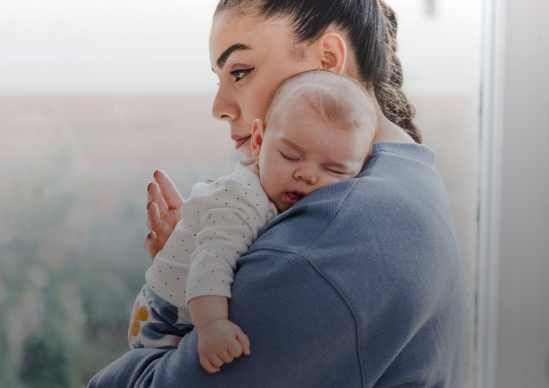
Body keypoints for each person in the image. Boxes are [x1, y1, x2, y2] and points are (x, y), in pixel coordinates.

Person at [89, 0, 466, 386]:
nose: (218, 107)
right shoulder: (411, 181)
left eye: (240, 71)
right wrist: (196, 257)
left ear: (328, 60)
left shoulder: (332, 239)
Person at [127, 70, 378, 375]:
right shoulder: (242, 199)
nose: (307, 174)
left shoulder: (283, 195)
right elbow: (211, 264)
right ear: (258, 141)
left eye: (334, 169)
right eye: (290, 155)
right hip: (165, 317)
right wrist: (212, 326)